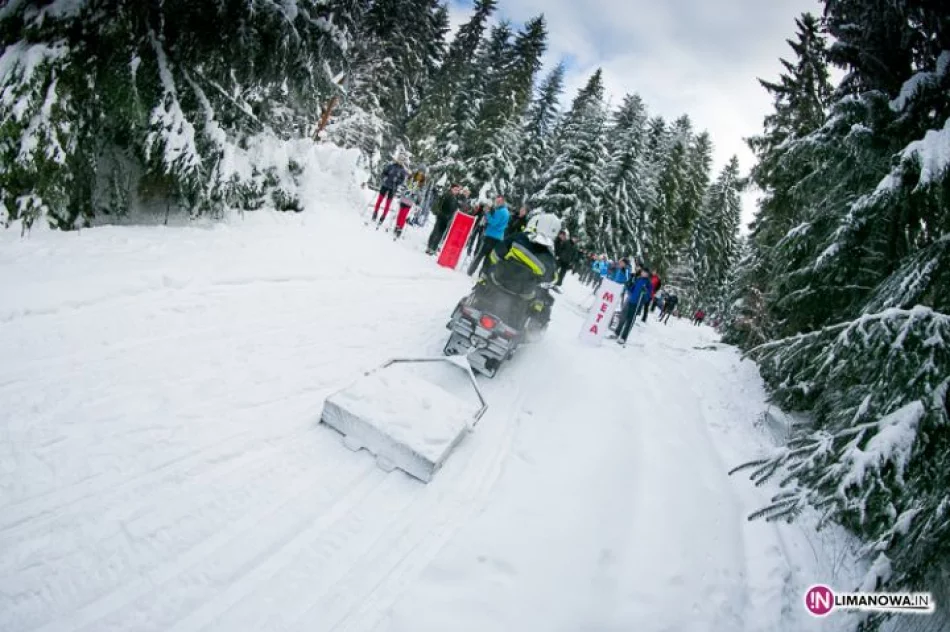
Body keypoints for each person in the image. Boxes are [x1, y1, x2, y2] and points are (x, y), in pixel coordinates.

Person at [472, 212, 561, 330]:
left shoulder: (519, 237)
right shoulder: (549, 258)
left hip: (498, 281)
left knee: (484, 279)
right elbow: (552, 278)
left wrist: (495, 266)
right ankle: (528, 330)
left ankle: (474, 303)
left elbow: (495, 254)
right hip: (522, 294)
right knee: (538, 303)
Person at [467, 195, 510, 276]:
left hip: (491, 236)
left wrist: (487, 214)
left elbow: (494, 222)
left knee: (480, 254)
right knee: (488, 257)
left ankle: (470, 271)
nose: (497, 203)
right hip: (498, 237)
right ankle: (482, 274)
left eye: (499, 201)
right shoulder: (505, 211)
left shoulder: (501, 211)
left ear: (503, 202)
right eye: (496, 201)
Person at [613, 268, 654, 344]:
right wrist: (629, 285)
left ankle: (623, 337)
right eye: (643, 272)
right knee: (622, 317)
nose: (643, 273)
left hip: (636, 304)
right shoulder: (638, 279)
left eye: (645, 272)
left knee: (629, 321)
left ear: (648, 274)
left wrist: (645, 292)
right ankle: (616, 333)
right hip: (629, 300)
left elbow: (648, 297)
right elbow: (631, 290)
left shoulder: (648, 284)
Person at [371, 156, 409, 224]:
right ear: (397, 159)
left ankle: (383, 217)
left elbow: (402, 181)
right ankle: (375, 212)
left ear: (403, 162)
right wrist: (384, 177)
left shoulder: (403, 171)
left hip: (393, 188)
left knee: (388, 204)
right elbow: (383, 173)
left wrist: (397, 181)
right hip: (385, 185)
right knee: (379, 200)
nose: (400, 161)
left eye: (402, 160)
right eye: (399, 159)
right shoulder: (391, 166)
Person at [426, 184, 461, 255]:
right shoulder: (447, 195)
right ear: (451, 188)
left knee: (440, 234)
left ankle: (433, 248)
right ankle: (430, 247)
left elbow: (454, 209)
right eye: (455, 189)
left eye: (457, 190)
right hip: (442, 216)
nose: (456, 191)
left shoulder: (455, 198)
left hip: (447, 218)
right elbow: (439, 204)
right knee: (436, 232)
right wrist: (439, 212)